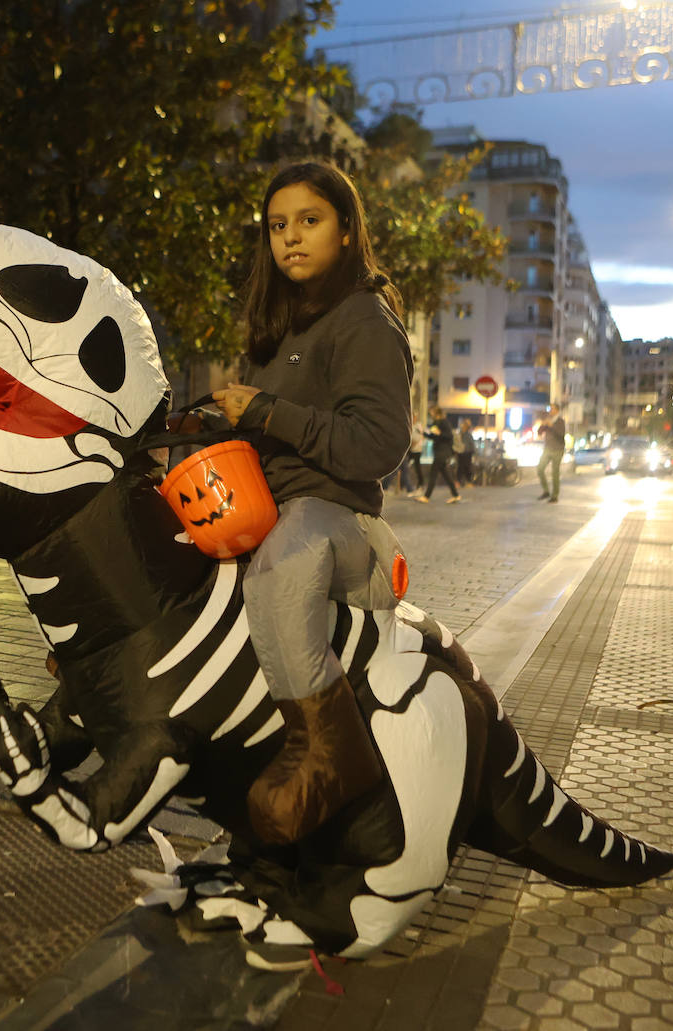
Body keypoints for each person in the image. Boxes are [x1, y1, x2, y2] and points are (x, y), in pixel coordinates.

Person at [211, 161, 412, 845]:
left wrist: (267, 409)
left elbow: (377, 446)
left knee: (284, 561)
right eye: (276, 226)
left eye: (309, 220)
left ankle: (330, 752)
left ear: (348, 229)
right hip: (274, 509)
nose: (290, 237)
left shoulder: (365, 320)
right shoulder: (280, 326)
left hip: (344, 525)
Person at [416, 405, 461, 504]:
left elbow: (449, 436)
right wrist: (423, 433)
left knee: (433, 473)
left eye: (431, 412)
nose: (430, 414)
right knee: (445, 474)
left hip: (443, 452)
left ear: (436, 413)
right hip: (439, 451)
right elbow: (434, 436)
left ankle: (426, 496)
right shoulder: (436, 423)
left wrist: (439, 434)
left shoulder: (443, 422)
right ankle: (456, 495)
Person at [537, 405, 566, 503]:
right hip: (547, 449)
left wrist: (551, 426)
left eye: (552, 409)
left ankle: (555, 496)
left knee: (555, 473)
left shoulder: (560, 421)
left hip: (558, 449)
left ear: (557, 411)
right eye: (550, 409)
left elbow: (561, 435)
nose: (550, 411)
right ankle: (546, 491)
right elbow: (539, 432)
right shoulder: (548, 420)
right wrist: (542, 425)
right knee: (540, 469)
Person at [457, 418, 476, 487]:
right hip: (462, 452)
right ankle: (461, 481)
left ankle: (468, 482)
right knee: (461, 467)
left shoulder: (468, 434)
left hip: (467, 453)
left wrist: (473, 451)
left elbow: (471, 444)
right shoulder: (461, 434)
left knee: (466, 467)